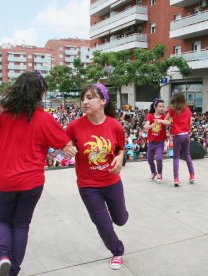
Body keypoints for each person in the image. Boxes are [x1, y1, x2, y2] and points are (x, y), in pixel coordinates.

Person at [0, 71, 77, 276]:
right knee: (21, 225)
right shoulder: (45, 119)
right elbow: (66, 145)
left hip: (6, 180)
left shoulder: (5, 116)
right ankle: (14, 270)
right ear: (40, 93)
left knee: (2, 221)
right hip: (32, 182)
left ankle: (2, 257)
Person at [65, 83, 128, 270]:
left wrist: (120, 157)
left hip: (112, 182)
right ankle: (117, 251)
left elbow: (121, 149)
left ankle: (121, 216)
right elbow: (65, 143)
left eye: (90, 98)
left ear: (102, 101)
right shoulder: (74, 126)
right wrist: (67, 148)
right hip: (88, 186)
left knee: (120, 220)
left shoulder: (115, 126)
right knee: (103, 225)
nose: (85, 102)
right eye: (83, 98)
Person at [157, 91, 195, 187]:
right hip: (186, 135)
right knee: (187, 154)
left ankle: (176, 179)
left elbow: (166, 120)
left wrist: (160, 120)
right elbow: (190, 123)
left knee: (176, 157)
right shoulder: (187, 109)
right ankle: (192, 175)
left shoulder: (172, 109)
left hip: (177, 136)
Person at [143, 98, 167, 182]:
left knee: (159, 158)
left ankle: (159, 174)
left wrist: (160, 121)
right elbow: (145, 127)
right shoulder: (150, 116)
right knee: (149, 159)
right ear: (155, 107)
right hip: (151, 142)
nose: (161, 108)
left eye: (162, 106)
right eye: (160, 106)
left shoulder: (164, 116)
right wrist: (153, 125)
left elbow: (169, 122)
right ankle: (154, 172)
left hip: (160, 142)